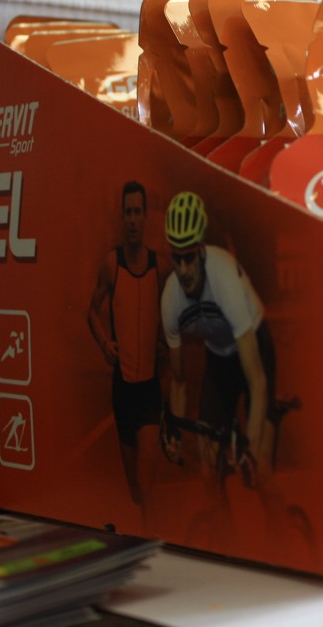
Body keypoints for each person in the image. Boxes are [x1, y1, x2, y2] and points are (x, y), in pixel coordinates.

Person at [158, 190, 287, 548]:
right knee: (207, 467)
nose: (183, 269)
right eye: (175, 258)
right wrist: (176, 432)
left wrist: (252, 444)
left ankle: (284, 537)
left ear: (200, 251)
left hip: (254, 344)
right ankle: (226, 539)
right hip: (219, 356)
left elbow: (257, 381)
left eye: (188, 257)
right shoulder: (170, 300)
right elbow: (179, 382)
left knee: (259, 470)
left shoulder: (224, 277)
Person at [87, 181, 166, 519]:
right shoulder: (111, 264)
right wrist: (105, 343)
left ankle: (155, 539)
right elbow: (92, 312)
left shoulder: (159, 266)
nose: (133, 219)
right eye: (128, 212)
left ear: (145, 216)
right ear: (122, 217)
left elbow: (172, 310)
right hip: (122, 391)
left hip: (149, 390)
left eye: (137, 212)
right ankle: (145, 531)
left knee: (146, 488)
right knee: (135, 489)